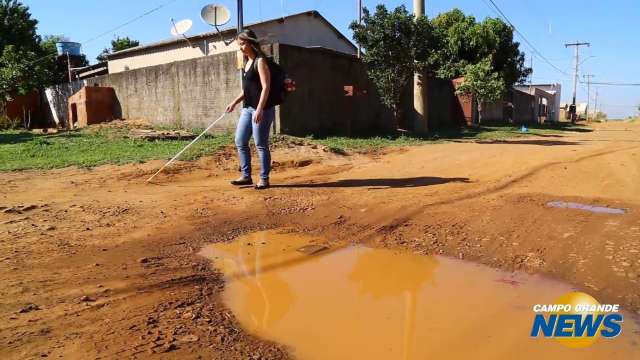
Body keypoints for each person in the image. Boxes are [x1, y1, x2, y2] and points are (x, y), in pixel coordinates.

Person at [225, 29, 274, 190]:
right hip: (248, 109)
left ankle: (264, 179)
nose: (240, 47)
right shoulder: (246, 63)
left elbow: (266, 87)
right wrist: (234, 102)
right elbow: (247, 90)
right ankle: (246, 176)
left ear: (251, 43)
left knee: (260, 144)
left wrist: (259, 109)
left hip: (262, 109)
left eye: (243, 43)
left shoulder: (260, 61)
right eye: (239, 44)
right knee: (240, 140)